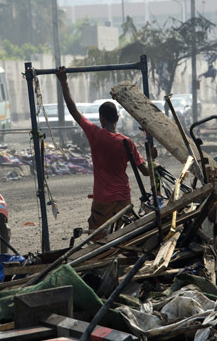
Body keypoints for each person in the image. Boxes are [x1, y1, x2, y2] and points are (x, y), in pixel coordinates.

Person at [56, 67, 152, 233]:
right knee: (126, 238)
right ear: (117, 118)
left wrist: (64, 82)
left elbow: (72, 109)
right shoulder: (127, 142)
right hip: (123, 200)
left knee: (97, 239)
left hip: (103, 200)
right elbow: (145, 172)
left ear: (101, 118)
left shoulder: (95, 134)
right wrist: (152, 159)